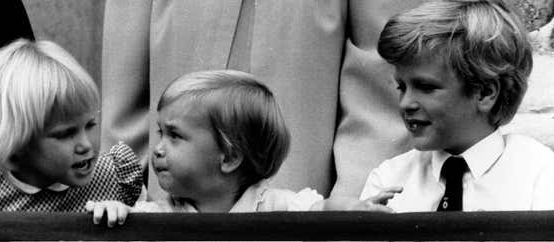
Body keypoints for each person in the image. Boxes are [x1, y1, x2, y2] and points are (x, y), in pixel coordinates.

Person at [101, 0, 422, 200]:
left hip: (307, 32)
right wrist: (124, 191)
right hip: (186, 10)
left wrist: (354, 199)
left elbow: (380, 71)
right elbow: (126, 61)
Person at [87, 70, 400, 227]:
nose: (157, 149)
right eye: (160, 132)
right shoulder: (157, 215)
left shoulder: (275, 206)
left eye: (175, 136)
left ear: (230, 157)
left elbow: (321, 211)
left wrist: (355, 209)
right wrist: (115, 211)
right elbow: (128, 225)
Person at [359, 0, 554, 212]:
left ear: (485, 93)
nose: (406, 103)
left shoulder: (538, 174)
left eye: (426, 87)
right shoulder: (389, 180)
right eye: (401, 87)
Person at [0, 39, 143, 211]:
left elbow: (160, 225)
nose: (87, 145)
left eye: (90, 125)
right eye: (66, 134)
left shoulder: (115, 179)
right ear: (16, 147)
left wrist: (129, 214)